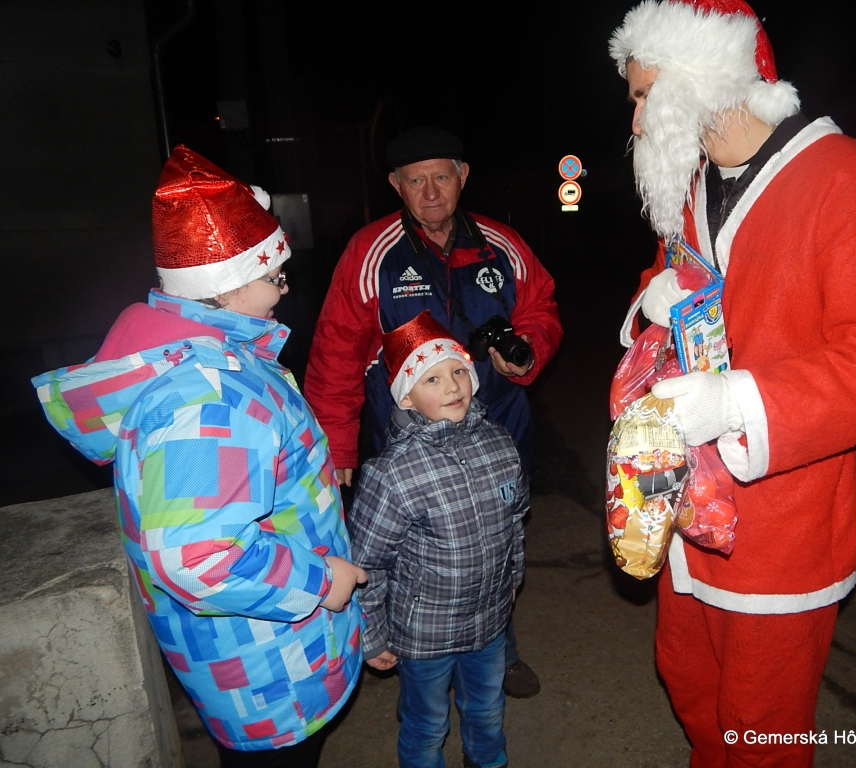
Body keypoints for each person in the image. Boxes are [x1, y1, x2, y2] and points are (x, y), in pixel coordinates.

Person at [608, 2, 856, 765]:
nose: (637, 119)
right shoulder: (694, 181)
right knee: (688, 679)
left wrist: (737, 402)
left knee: (760, 725)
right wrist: (650, 301)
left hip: (785, 523)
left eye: (645, 95)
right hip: (685, 506)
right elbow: (673, 277)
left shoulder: (849, 182)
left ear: (702, 78)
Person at [32, 146, 366, 766]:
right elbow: (199, 556)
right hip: (269, 671)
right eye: (276, 277)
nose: (285, 290)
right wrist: (323, 582)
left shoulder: (206, 359)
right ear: (228, 286)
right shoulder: (210, 396)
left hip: (268, 649)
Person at [305, 125, 560, 698]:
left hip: (497, 429)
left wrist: (528, 352)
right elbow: (336, 352)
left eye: (441, 177)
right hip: (408, 444)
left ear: (462, 176)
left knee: (495, 540)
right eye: (415, 180)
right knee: (412, 550)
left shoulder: (501, 244)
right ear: (396, 185)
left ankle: (499, 652)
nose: (430, 192)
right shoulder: (371, 252)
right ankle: (416, 656)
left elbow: (541, 307)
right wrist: (338, 445)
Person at [348, 311, 526, 768]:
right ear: (406, 397)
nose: (452, 386)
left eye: (458, 372)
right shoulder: (391, 474)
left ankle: (487, 760)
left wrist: (512, 578)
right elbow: (367, 563)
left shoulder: (500, 444)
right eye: (433, 379)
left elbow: (515, 519)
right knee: (427, 724)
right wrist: (373, 635)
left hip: (489, 621)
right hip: (424, 634)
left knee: (487, 708)